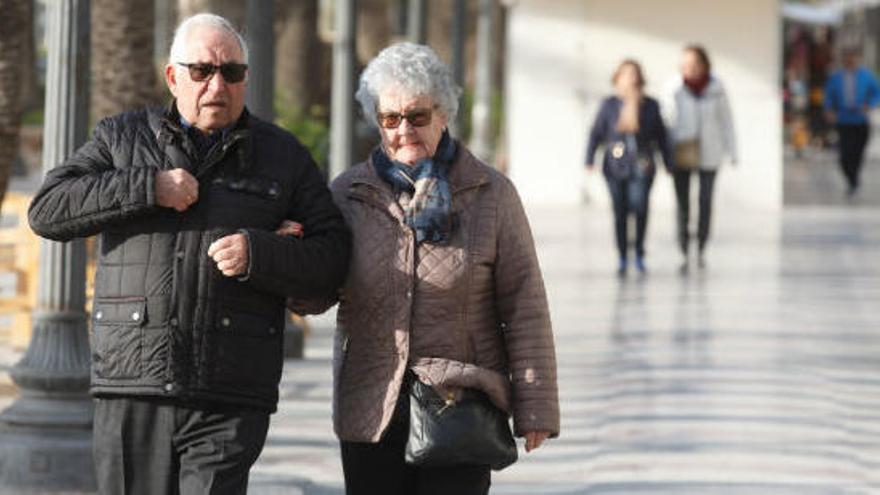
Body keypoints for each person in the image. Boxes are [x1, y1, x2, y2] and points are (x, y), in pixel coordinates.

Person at [27, 14, 351, 494]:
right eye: (201, 71)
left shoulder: (284, 156)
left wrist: (259, 254)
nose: (216, 84)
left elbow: (333, 260)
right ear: (173, 77)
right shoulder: (122, 138)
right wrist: (147, 187)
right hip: (133, 385)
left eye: (232, 73)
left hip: (230, 393)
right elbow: (48, 210)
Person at [292, 42, 559, 495]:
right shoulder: (348, 192)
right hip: (370, 404)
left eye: (417, 117)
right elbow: (318, 293)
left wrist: (537, 408)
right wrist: (294, 258)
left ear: (444, 114)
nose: (403, 131)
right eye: (389, 119)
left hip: (459, 404)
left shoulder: (492, 193)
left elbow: (524, 303)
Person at [586, 59, 673, 275]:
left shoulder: (650, 105)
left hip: (642, 164)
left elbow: (662, 135)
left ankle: (640, 253)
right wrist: (589, 159)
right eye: (626, 74)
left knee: (640, 206)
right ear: (617, 78)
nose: (631, 78)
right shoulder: (609, 104)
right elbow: (596, 133)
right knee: (620, 210)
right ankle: (623, 255)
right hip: (615, 165)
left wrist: (668, 161)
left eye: (634, 73)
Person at [668, 44, 737, 270]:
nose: (690, 69)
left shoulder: (717, 88)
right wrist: (665, 152)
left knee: (705, 200)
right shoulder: (673, 87)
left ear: (705, 65)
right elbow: (666, 120)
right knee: (682, 202)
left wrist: (732, 150)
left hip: (710, 150)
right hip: (682, 150)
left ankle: (702, 244)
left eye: (694, 64)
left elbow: (726, 120)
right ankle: (683, 244)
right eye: (685, 64)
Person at [823, 46, 880, 196]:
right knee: (844, 154)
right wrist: (829, 109)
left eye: (853, 57)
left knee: (858, 152)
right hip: (844, 120)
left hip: (861, 120)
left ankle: (854, 180)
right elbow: (828, 95)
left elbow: (876, 93)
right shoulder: (836, 77)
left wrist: (870, 105)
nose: (851, 60)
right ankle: (851, 179)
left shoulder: (867, 76)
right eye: (848, 57)